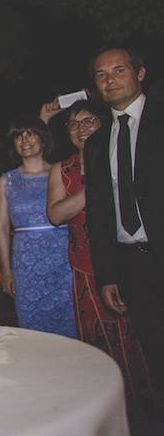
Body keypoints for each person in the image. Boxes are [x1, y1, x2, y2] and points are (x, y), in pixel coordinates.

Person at [46, 98, 151, 407]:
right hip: (85, 266)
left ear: (104, 124)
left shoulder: (121, 155)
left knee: (141, 334)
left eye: (89, 121)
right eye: (74, 124)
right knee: (100, 341)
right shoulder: (61, 169)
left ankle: (147, 403)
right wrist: (94, 187)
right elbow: (56, 214)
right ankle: (112, 405)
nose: (82, 128)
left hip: (129, 260)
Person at [84, 46, 164, 408]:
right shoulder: (98, 143)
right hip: (132, 266)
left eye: (119, 70)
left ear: (140, 73)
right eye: (101, 75)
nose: (110, 80)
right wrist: (107, 275)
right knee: (155, 351)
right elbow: (99, 213)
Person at [0, 118, 76, 337]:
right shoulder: (7, 180)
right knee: (32, 329)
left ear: (43, 138)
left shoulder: (62, 172)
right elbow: (2, 227)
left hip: (63, 262)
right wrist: (5, 270)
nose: (24, 140)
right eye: (18, 136)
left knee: (70, 327)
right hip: (27, 264)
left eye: (31, 133)